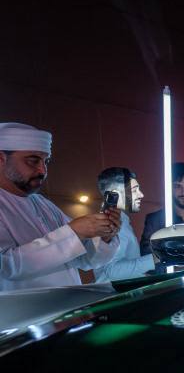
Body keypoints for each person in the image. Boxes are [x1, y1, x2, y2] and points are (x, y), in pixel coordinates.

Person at [0, 122, 120, 291]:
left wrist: (104, 236)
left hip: (70, 304)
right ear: (1, 159)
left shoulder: (43, 204)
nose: (43, 170)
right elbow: (5, 266)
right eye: (33, 161)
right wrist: (73, 233)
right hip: (25, 308)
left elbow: (84, 260)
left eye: (46, 161)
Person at [93, 167, 154, 282]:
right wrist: (158, 258)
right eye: (135, 190)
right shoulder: (110, 222)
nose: (141, 195)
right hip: (112, 292)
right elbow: (112, 271)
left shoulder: (120, 220)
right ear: (115, 193)